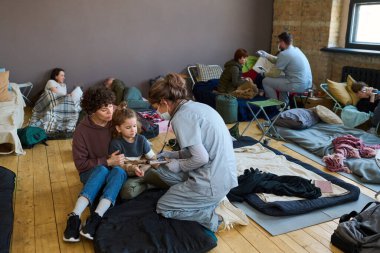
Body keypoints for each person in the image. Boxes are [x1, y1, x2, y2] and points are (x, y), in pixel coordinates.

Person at [148, 73, 249, 232]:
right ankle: (213, 201)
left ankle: (216, 219)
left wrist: (178, 165)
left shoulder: (181, 117)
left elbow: (201, 158)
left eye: (156, 108)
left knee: (163, 207)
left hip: (212, 182)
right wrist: (172, 155)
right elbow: (198, 149)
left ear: (164, 103)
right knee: (164, 172)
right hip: (225, 177)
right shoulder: (195, 107)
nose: (157, 113)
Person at [63, 86, 127, 242]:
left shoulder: (114, 121)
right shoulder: (81, 131)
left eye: (111, 106)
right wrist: (107, 161)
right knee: (102, 170)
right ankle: (75, 217)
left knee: (119, 172)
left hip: (114, 169)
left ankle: (96, 217)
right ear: (92, 111)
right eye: (104, 109)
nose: (110, 112)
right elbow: (81, 165)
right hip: (90, 172)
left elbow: (134, 130)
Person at [109, 102, 167, 199]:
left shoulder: (141, 139)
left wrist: (145, 168)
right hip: (130, 177)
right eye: (128, 127)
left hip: (145, 171)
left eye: (134, 126)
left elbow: (152, 159)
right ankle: (149, 186)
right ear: (118, 128)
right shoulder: (116, 144)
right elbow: (119, 166)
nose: (133, 130)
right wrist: (133, 169)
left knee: (166, 177)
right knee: (126, 193)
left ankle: (152, 182)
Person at [257, 32, 312, 104]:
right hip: (307, 84)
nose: (279, 44)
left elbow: (274, 74)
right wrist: (266, 55)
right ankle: (284, 105)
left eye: (279, 41)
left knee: (266, 81)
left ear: (282, 42)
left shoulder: (285, 54)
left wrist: (263, 73)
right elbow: (279, 60)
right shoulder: (296, 50)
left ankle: (276, 106)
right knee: (281, 80)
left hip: (298, 85)